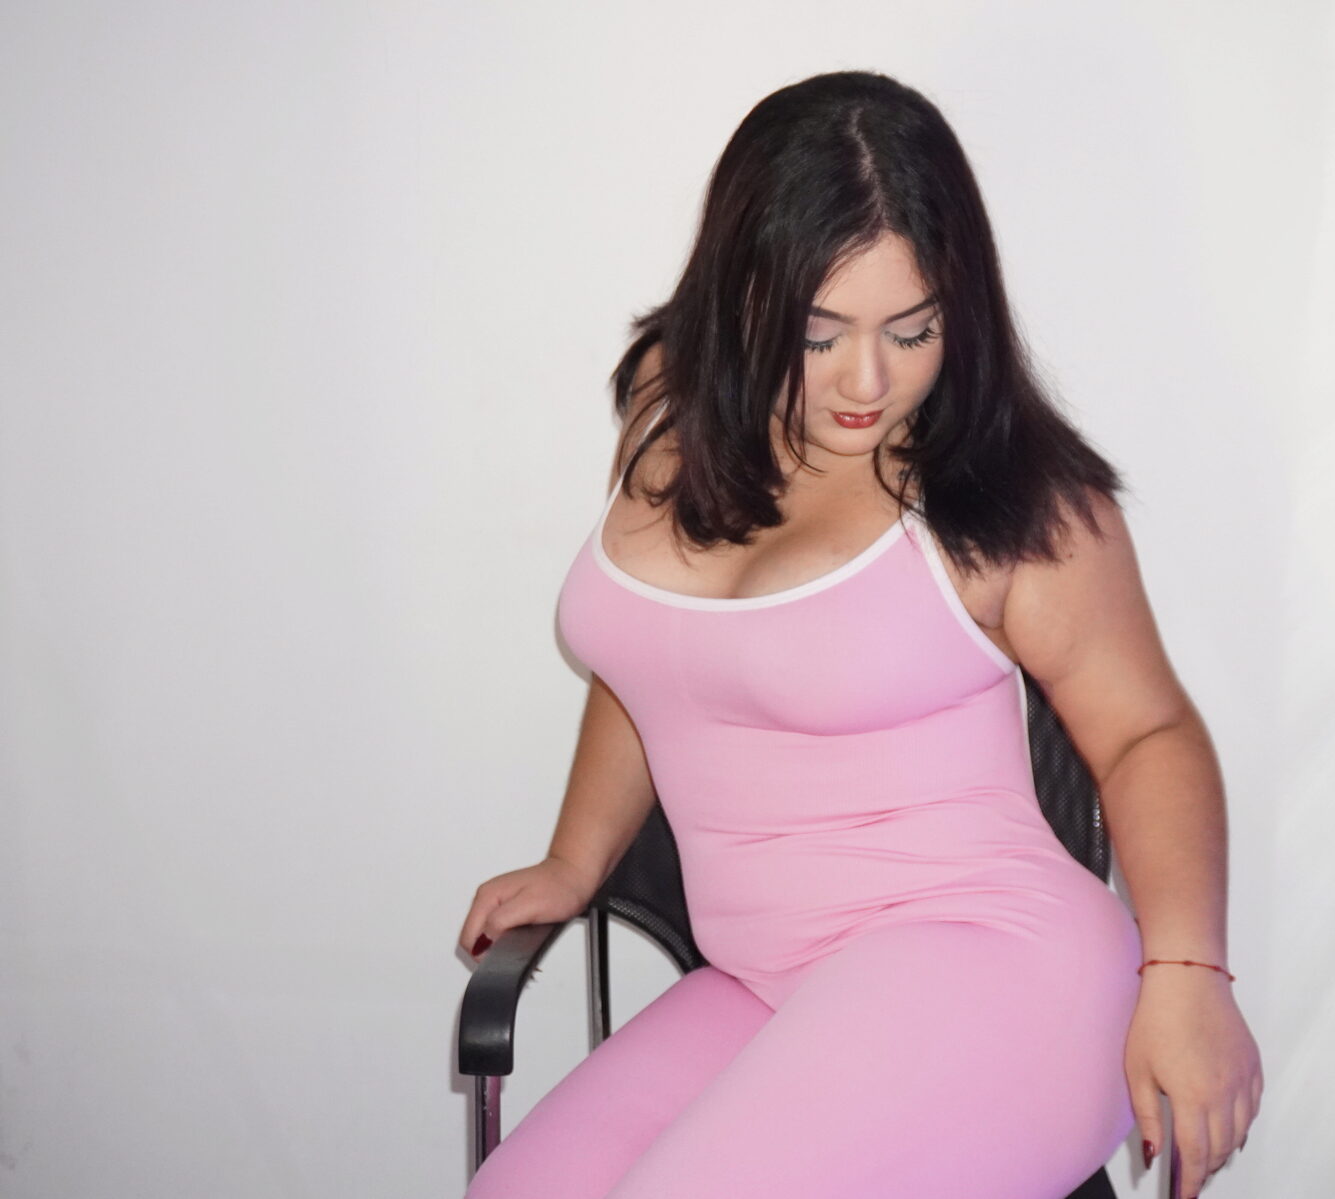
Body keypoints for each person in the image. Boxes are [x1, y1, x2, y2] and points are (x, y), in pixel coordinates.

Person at [456, 69, 1261, 1199]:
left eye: (911, 328)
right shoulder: (669, 412)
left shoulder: (1011, 503)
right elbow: (653, 662)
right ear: (741, 296)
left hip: (994, 968)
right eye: (817, 333)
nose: (868, 380)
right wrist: (572, 860)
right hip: (766, 981)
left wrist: (1188, 972)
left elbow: (1145, 733)